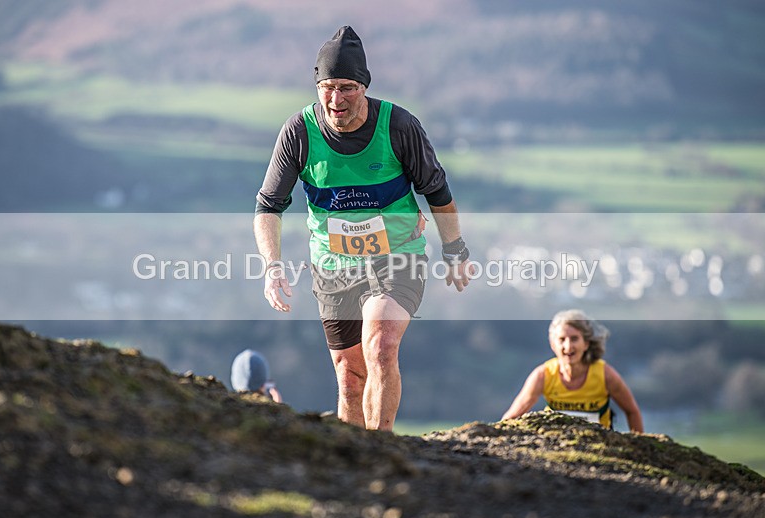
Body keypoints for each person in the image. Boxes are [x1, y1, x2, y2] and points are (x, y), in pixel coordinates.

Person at [254, 26, 472, 431]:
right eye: (328, 87)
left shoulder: (399, 126)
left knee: (381, 346)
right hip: (334, 266)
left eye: (348, 88)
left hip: (397, 257)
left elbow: (438, 194)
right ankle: (354, 465)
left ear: (364, 87)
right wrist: (272, 265)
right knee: (350, 378)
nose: (337, 100)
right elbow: (268, 206)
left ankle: (382, 448)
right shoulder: (299, 132)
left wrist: (455, 250)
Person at [502, 309, 644, 433]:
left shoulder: (606, 375)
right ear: (553, 344)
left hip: (600, 444)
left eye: (574, 339)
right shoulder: (543, 375)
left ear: (586, 343)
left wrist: (640, 449)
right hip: (556, 444)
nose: (568, 346)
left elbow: (632, 411)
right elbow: (513, 415)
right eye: (562, 339)